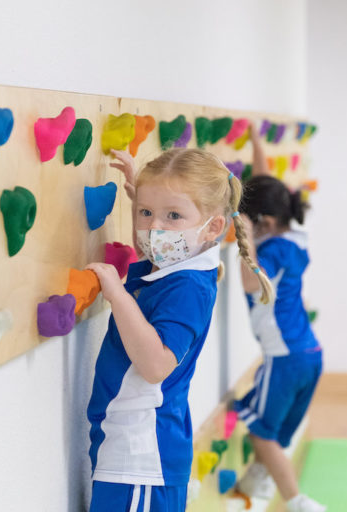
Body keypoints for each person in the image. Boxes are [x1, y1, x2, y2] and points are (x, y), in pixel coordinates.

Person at [85, 148, 273, 511]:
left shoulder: (187, 287)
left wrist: (115, 294)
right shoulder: (177, 266)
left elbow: (156, 365)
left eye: (173, 215)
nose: (155, 227)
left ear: (213, 227)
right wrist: (138, 196)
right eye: (146, 213)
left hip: (142, 455)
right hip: (134, 450)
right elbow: (150, 253)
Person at [234, 123, 326, 512]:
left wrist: (244, 238)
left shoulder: (269, 252)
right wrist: (256, 144)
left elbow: (252, 284)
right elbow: (264, 185)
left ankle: (299, 502)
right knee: (261, 415)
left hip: (283, 357)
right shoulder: (294, 237)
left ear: (264, 224)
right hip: (309, 353)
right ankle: (259, 478)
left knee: (261, 434)